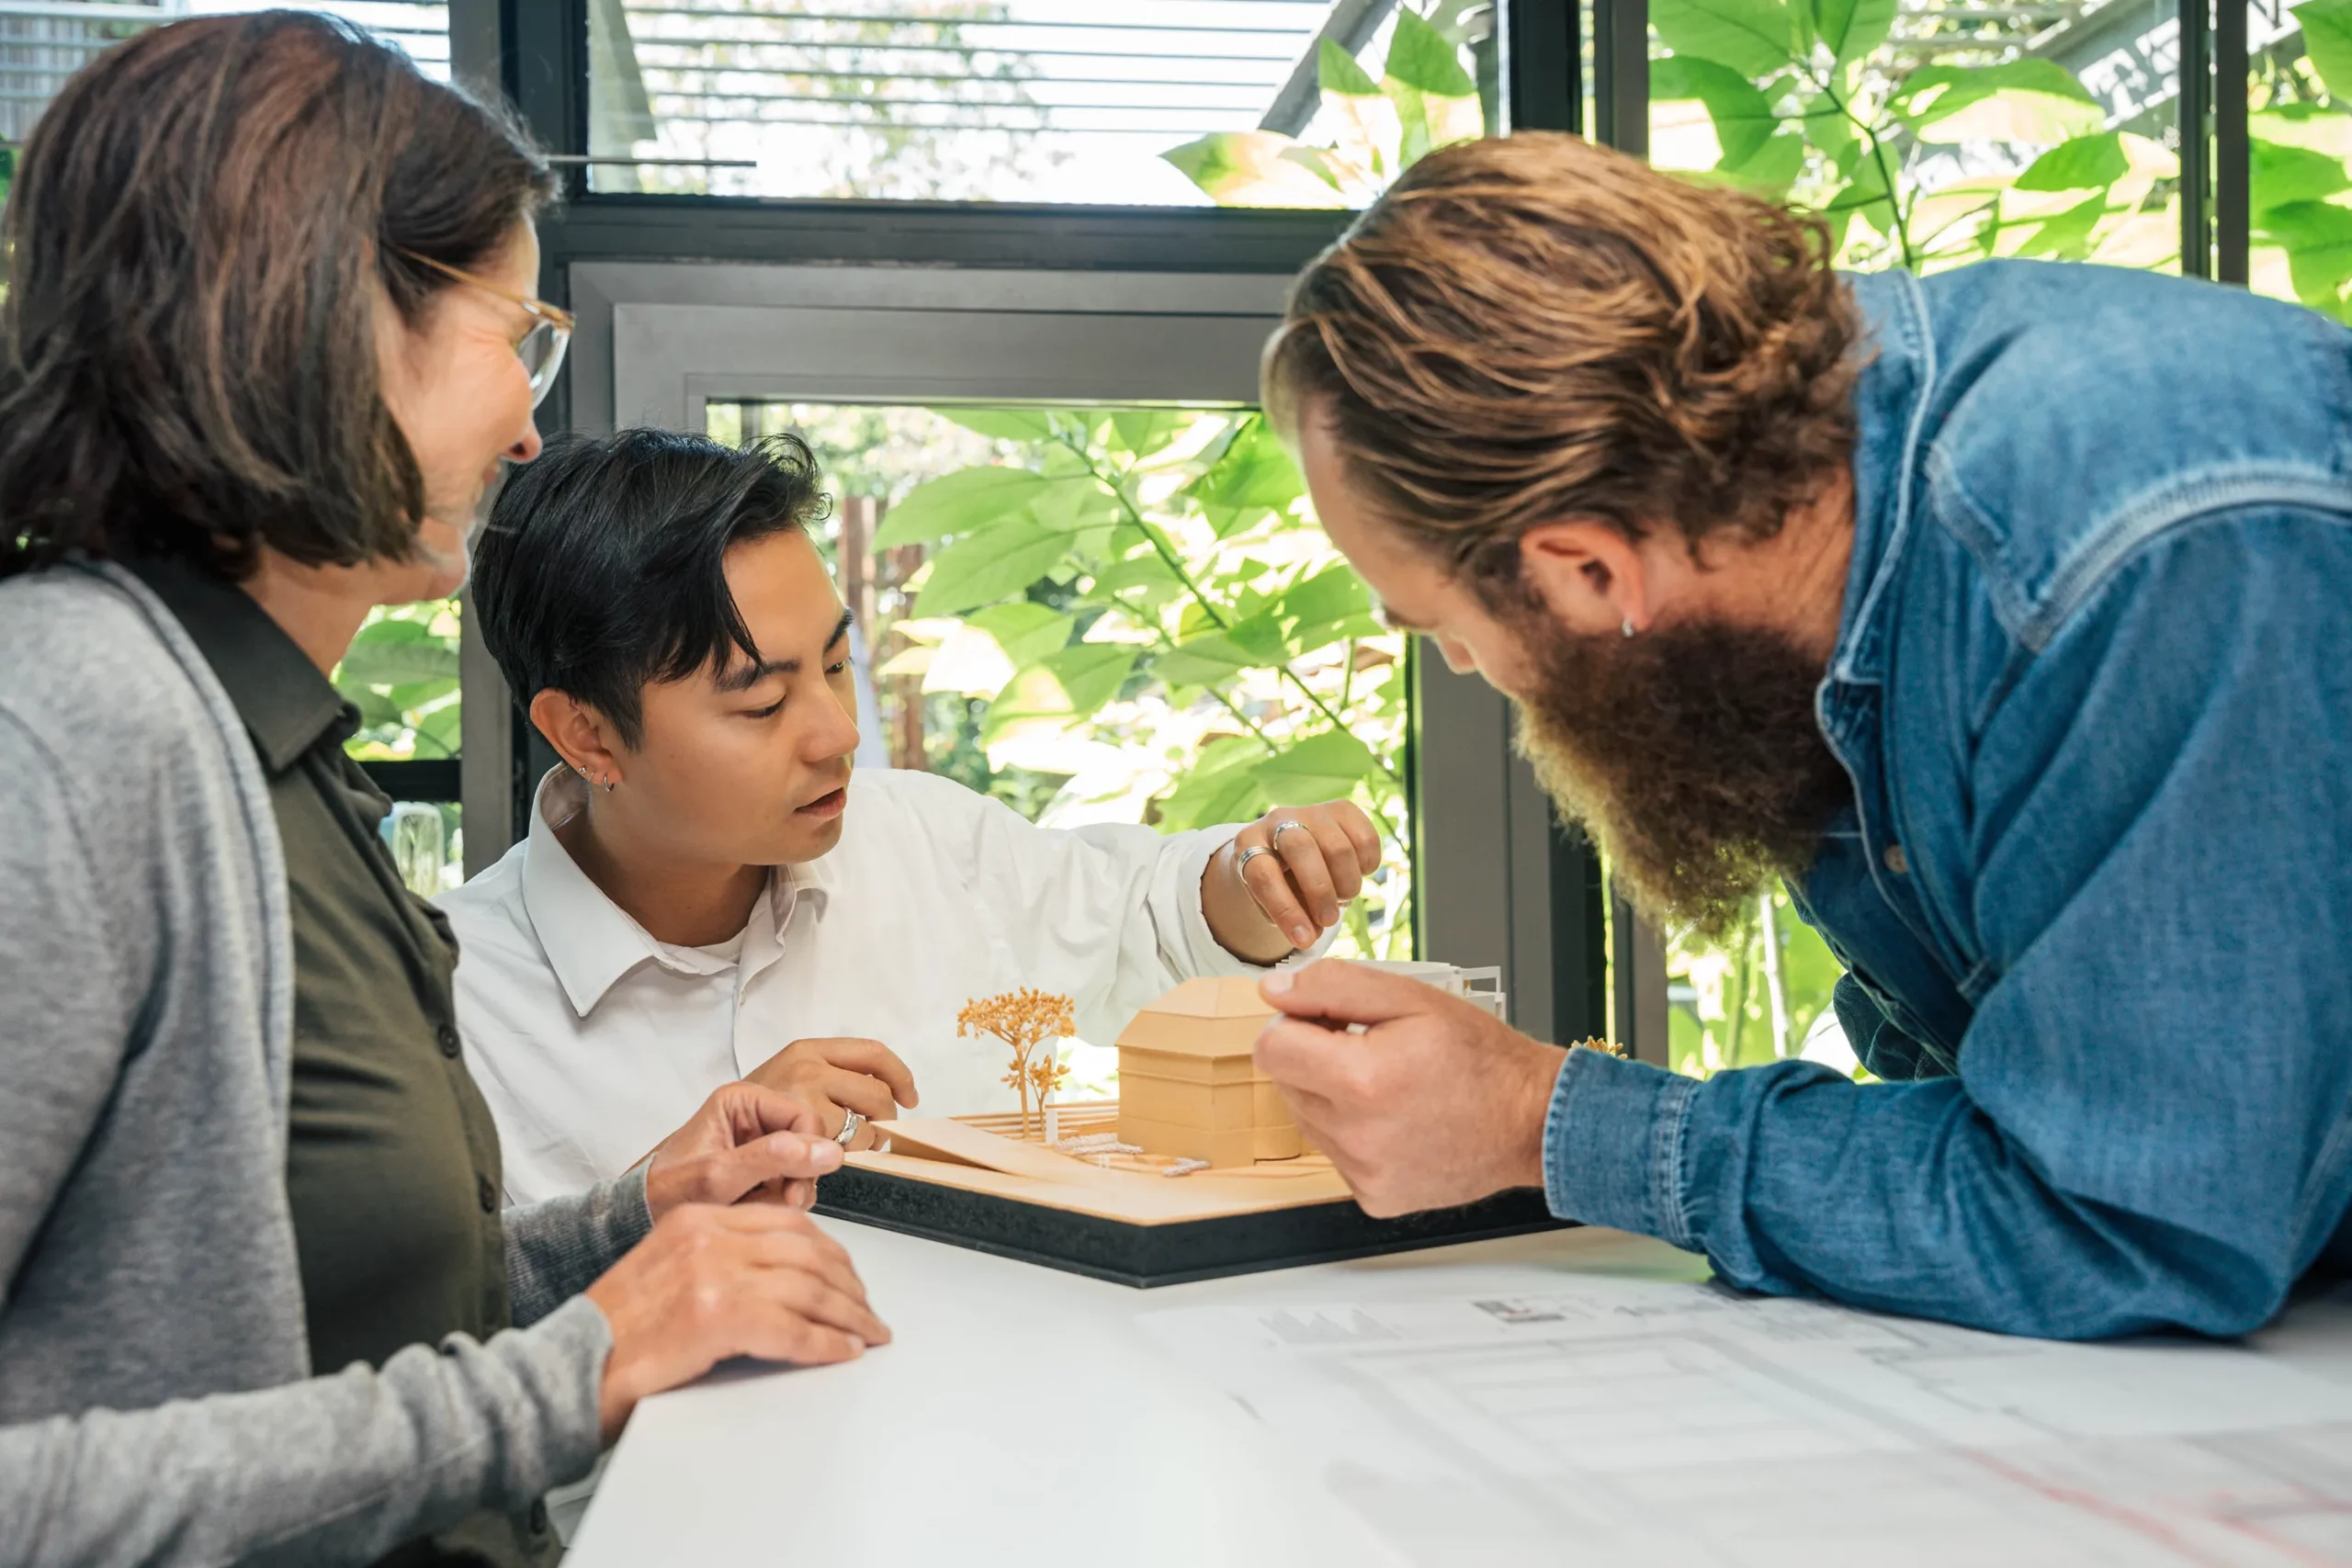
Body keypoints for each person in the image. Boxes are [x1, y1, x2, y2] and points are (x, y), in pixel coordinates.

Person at [0, 17, 887, 1566]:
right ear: (324, 320)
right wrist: (575, 1369)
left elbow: (345, 1333)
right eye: (514, 335)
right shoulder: (68, 724)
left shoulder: (265, 749)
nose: (533, 425)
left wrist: (632, 1219)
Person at [1249, 131, 2352, 1341]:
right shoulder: (1799, 538)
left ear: (1588, 568)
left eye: (1439, 626)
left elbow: (2128, 1218)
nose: (1463, 668)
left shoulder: (2133, 561)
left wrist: (1535, 1120)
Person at [440, 427, 1386, 1204]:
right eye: (762, 705)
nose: (837, 733)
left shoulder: (925, 841)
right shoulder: (454, 1006)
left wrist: (1253, 885)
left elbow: (1145, 918)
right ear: (588, 735)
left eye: (834, 664)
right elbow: (455, 1321)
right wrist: (669, 1187)